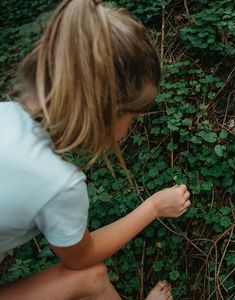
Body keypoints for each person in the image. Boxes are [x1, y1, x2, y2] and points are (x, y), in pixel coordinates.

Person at [0, 0, 191, 299]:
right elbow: (80, 258)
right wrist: (154, 207)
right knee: (91, 276)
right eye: (133, 114)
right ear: (104, 110)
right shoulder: (59, 184)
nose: (132, 126)